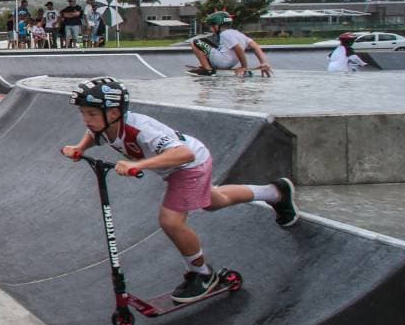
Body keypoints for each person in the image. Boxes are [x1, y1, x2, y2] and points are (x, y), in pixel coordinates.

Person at [60, 76, 299, 302]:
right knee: (213, 201)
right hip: (178, 167)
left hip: (188, 166)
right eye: (83, 113)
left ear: (113, 112)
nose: (86, 119)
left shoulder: (142, 130)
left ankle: (203, 274)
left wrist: (138, 164)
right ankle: (276, 193)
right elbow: (93, 134)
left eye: (91, 113)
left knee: (171, 222)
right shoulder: (104, 125)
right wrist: (80, 147)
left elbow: (184, 154)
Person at [189, 12, 273, 77]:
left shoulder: (224, 34)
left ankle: (208, 69)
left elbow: (238, 48)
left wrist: (244, 67)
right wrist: (263, 62)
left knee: (195, 42)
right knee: (211, 44)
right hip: (230, 63)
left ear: (217, 25)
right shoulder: (238, 33)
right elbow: (255, 46)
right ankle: (207, 65)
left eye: (211, 26)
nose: (211, 29)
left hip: (222, 62)